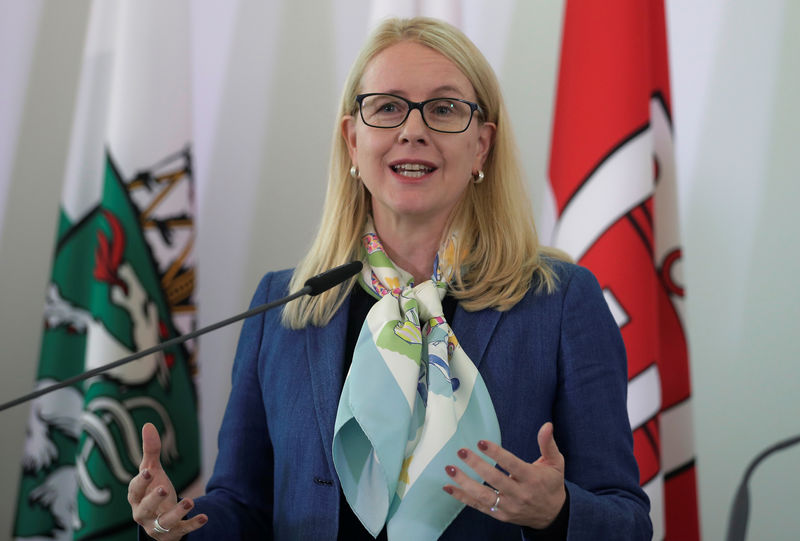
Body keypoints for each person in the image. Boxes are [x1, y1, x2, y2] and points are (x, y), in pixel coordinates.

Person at [128, 17, 651, 540]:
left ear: (482, 146)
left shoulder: (559, 303)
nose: (413, 130)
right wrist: (179, 525)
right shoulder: (285, 305)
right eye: (387, 107)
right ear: (352, 140)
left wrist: (556, 513)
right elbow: (242, 505)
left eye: (444, 109)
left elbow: (627, 521)